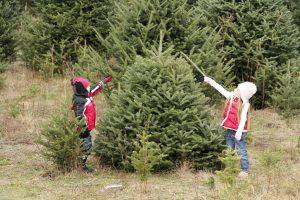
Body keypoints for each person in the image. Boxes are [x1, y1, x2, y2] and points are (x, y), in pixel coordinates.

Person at [204, 77, 257, 178]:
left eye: (238, 90)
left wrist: (239, 132)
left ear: (243, 94)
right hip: (230, 130)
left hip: (239, 132)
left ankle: (245, 170)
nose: (235, 90)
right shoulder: (232, 97)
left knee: (241, 150)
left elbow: (243, 119)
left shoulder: (245, 104)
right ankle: (230, 168)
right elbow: (221, 89)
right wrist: (210, 81)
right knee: (229, 149)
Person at [70, 75, 113, 172]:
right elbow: (79, 117)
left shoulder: (85, 94)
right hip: (82, 130)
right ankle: (82, 166)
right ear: (82, 88)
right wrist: (83, 129)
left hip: (86, 129)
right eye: (87, 86)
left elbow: (94, 88)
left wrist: (103, 81)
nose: (89, 87)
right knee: (87, 146)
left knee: (86, 146)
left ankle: (80, 163)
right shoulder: (79, 101)